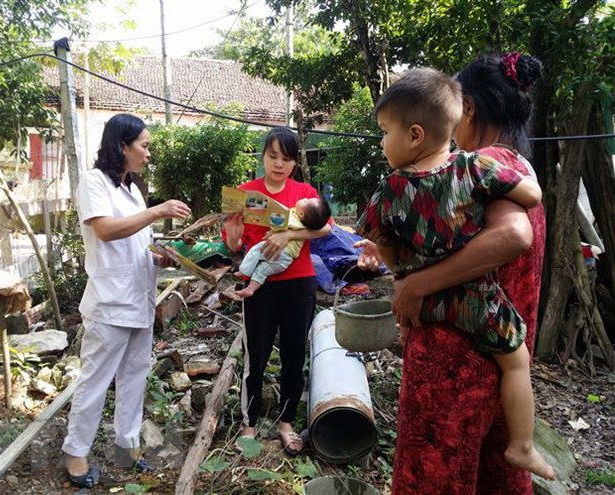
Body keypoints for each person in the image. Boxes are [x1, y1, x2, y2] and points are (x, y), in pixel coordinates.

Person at [358, 53, 548, 493]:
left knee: (433, 477)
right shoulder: (510, 169)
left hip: (455, 367)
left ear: (469, 110)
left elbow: (513, 234)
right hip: (497, 351)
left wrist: (414, 285)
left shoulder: (482, 165)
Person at [62, 114, 191, 488]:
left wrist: (163, 256)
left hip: (139, 298)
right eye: (144, 146)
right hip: (109, 301)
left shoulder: (132, 189)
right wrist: (157, 210)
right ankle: (75, 452)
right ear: (122, 146)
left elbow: (137, 244)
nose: (148, 153)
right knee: (96, 380)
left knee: (135, 376)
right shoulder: (94, 182)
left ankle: (127, 445)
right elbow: (104, 231)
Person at [223, 126, 331, 455]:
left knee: (294, 354)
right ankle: (250, 424)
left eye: (286, 158)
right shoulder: (245, 192)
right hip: (261, 284)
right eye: (272, 156)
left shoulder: (304, 191)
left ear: (294, 162)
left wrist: (289, 236)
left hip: (300, 282)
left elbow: (325, 228)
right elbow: (234, 246)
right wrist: (234, 237)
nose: (278, 164)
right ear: (263, 157)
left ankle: (286, 423)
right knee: (256, 355)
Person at [235, 196, 331, 298]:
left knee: (255, 251)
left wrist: (249, 204)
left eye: (306, 201)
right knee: (262, 270)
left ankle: (244, 271)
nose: (305, 198)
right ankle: (250, 288)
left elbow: (274, 216)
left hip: (281, 254)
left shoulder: (292, 219)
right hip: (286, 260)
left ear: (302, 213)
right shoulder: (304, 223)